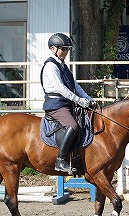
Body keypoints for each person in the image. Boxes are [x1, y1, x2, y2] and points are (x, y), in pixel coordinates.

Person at [40, 33, 95, 174]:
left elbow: (74, 85)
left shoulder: (62, 65)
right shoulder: (51, 66)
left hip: (66, 103)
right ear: (53, 49)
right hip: (56, 105)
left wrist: (88, 98)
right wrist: (78, 100)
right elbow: (60, 88)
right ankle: (60, 160)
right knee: (73, 125)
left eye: (67, 49)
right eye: (63, 49)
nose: (65, 52)